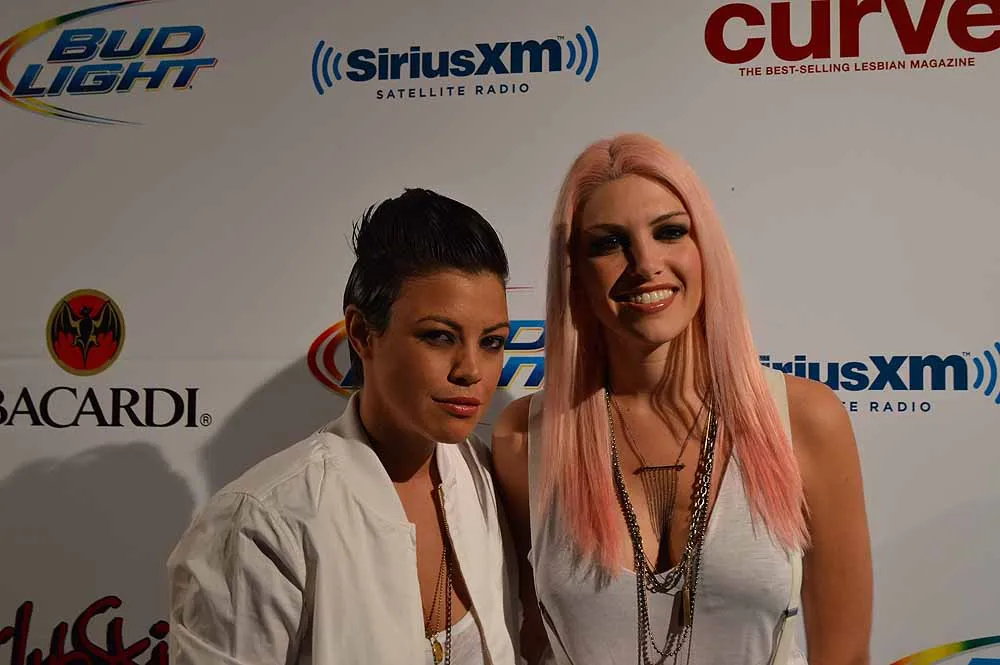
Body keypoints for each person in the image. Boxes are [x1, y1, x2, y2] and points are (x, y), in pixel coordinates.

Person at [492, 134, 873, 665]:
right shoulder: (525, 439)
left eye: (670, 232)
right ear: (575, 272)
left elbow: (845, 655)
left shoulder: (806, 420)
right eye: (609, 243)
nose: (645, 263)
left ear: (705, 248)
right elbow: (528, 640)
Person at [167, 188, 520, 665]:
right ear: (361, 333)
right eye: (439, 336)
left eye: (492, 342)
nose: (471, 370)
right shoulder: (264, 521)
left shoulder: (491, 482)